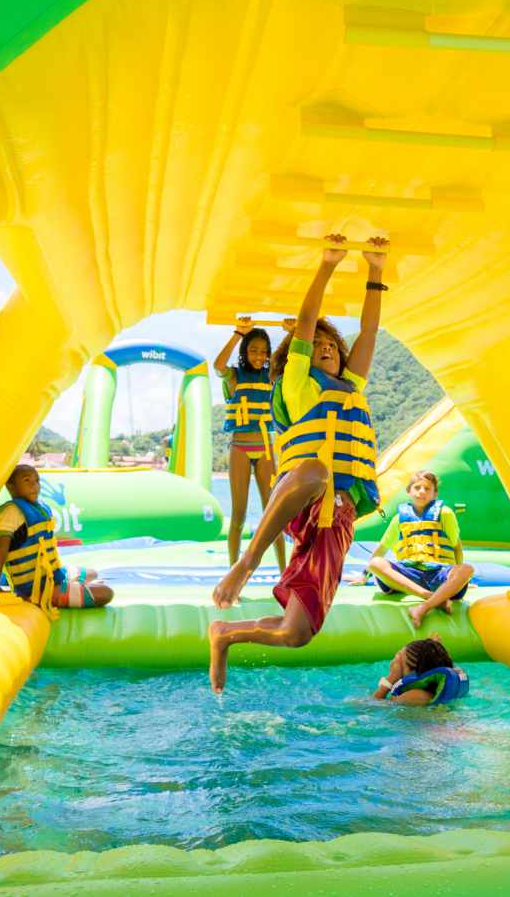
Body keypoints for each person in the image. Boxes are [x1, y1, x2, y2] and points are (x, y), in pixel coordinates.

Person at [207, 234, 388, 693]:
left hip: (339, 518)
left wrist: (376, 272)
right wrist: (328, 264)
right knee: (315, 470)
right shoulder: (298, 386)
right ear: (298, 359)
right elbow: (306, 321)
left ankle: (226, 635)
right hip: (306, 494)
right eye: (318, 344)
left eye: (332, 343)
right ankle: (247, 561)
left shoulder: (352, 386)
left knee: (296, 634)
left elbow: (368, 332)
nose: (326, 346)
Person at [0, 464, 113, 616]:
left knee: (92, 574)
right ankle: (55, 594)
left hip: (51, 575)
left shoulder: (38, 507)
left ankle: (66, 585)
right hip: (37, 589)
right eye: (27, 480)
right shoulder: (11, 513)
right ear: (10, 485)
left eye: (37, 481)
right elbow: (0, 552)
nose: (34, 486)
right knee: (107, 593)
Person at [213, 318, 288, 569]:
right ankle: (232, 573)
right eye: (253, 350)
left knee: (273, 514)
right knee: (239, 515)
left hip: (266, 449)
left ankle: (284, 576)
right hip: (240, 449)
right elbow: (218, 364)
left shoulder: (273, 377)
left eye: (263, 351)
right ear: (245, 351)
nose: (259, 355)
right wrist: (237, 333)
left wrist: (293, 333)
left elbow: (297, 361)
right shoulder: (234, 376)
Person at [366, 470, 474, 628]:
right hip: (409, 573)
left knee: (467, 569)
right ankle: (430, 597)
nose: (421, 491)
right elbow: (381, 549)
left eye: (427, 488)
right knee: (375, 563)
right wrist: (364, 575)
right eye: (417, 487)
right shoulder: (399, 519)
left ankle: (423, 608)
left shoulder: (445, 514)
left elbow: (457, 547)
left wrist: (457, 578)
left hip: (439, 574)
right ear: (408, 491)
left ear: (435, 493)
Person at [371, 635, 469, 706]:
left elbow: (371, 706)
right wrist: (433, 648)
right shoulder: (429, 693)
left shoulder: (414, 696)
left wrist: (391, 679)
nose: (392, 663)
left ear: (412, 671)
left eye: (397, 657)